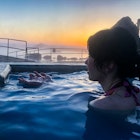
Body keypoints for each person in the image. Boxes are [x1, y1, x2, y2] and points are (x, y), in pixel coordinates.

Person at [83, 17, 140, 140]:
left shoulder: (100, 105)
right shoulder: (136, 94)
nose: (85, 61)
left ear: (108, 65)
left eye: (90, 55)